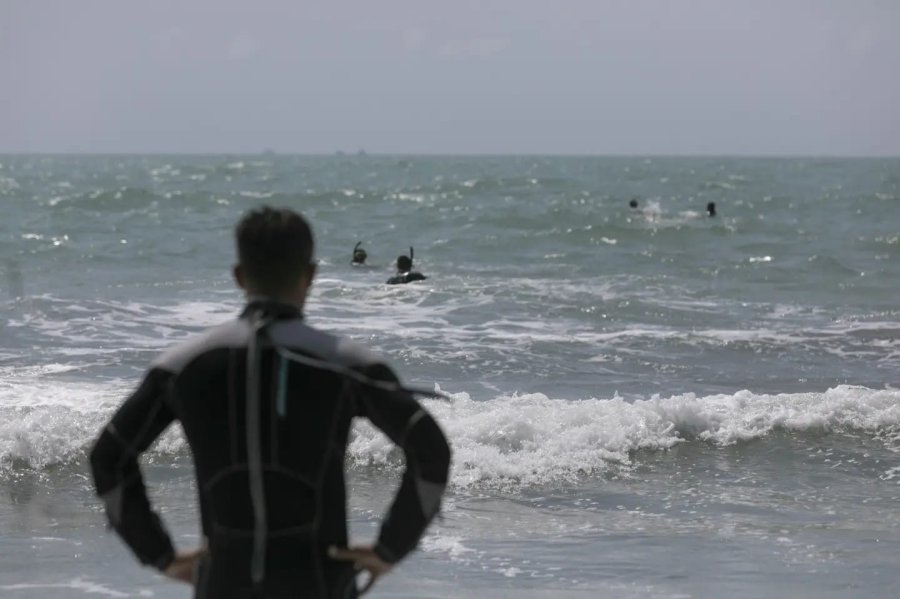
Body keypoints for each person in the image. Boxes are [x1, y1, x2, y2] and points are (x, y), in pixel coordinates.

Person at [89, 207, 451, 598]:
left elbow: (109, 457)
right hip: (321, 582)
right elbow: (431, 451)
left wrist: (158, 554)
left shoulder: (181, 366)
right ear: (311, 275)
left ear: (239, 276)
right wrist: (390, 547)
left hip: (224, 583)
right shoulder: (349, 365)